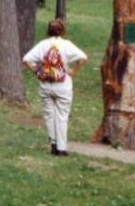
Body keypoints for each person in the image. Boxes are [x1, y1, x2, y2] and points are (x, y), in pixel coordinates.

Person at [22, 18, 87, 156]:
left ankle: (53, 143)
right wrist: (73, 70)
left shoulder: (42, 45)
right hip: (63, 85)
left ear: (48, 31)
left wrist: (36, 71)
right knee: (62, 115)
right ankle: (61, 148)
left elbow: (26, 59)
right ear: (62, 31)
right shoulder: (66, 45)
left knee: (49, 114)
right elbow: (83, 57)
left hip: (46, 85)